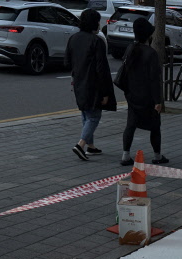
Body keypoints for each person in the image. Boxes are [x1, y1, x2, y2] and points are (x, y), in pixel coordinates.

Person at [115, 17, 169, 166]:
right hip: (148, 98)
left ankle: (125, 155)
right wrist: (158, 101)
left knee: (130, 125)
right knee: (155, 126)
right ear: (148, 35)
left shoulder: (130, 49)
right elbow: (154, 79)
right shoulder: (151, 53)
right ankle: (157, 156)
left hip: (132, 95)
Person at [65, 8, 115, 161]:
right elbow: (102, 68)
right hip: (94, 84)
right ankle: (81, 145)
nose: (99, 24)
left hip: (79, 82)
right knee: (94, 116)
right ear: (94, 23)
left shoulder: (73, 38)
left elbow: (67, 62)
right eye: (98, 21)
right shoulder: (96, 41)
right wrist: (106, 92)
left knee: (85, 113)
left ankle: (91, 146)